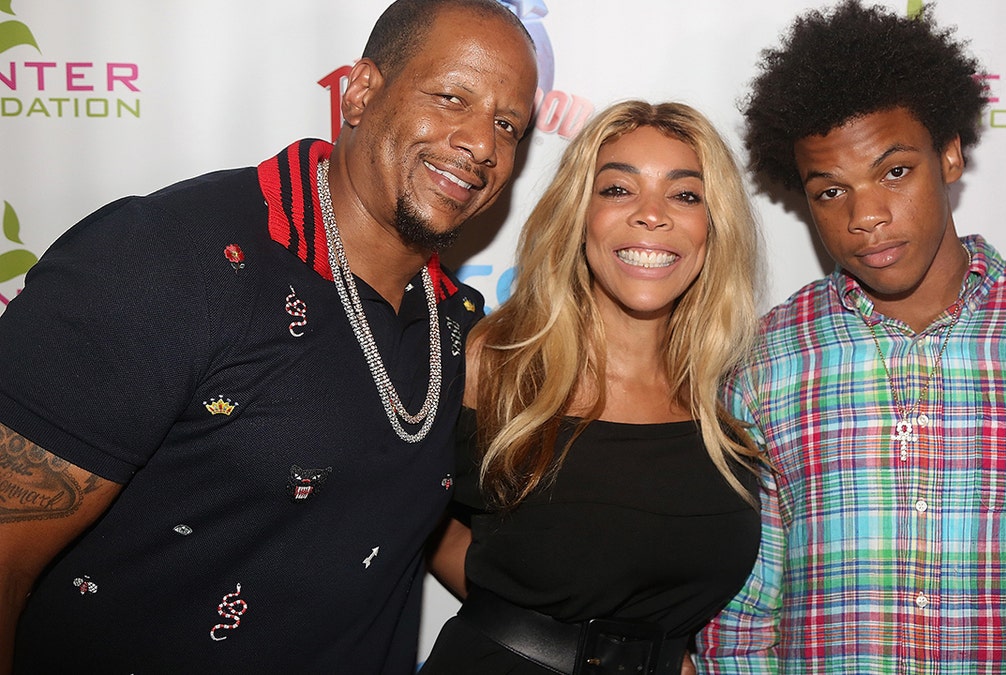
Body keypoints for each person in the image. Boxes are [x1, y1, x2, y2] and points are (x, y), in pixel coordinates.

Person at [0, 0, 537, 672]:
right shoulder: (170, 259)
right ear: (361, 92)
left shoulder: (454, 322)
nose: (482, 144)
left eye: (508, 124)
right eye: (452, 96)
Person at [696, 1, 1006, 673]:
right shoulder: (766, 364)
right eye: (830, 191)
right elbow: (743, 627)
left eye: (894, 171)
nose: (866, 215)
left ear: (951, 155)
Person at [419, 100, 765, 675]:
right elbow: (415, 517)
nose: (651, 215)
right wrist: (525, 624)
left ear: (714, 224)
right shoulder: (497, 361)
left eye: (685, 195)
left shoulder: (725, 396)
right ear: (580, 216)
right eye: (618, 190)